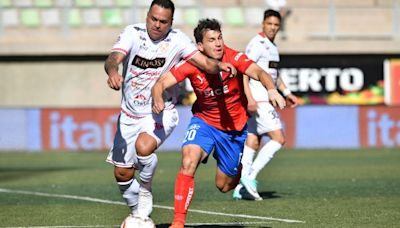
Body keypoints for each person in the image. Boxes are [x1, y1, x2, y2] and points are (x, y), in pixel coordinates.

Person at [104, 0, 236, 221]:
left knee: (143, 147)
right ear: (147, 15)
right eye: (153, 19)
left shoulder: (178, 40)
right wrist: (113, 71)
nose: (157, 25)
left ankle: (145, 189)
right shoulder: (132, 33)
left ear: (170, 22)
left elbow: (204, 62)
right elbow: (113, 58)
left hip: (161, 110)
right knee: (122, 173)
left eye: (163, 21)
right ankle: (139, 215)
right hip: (129, 114)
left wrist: (220, 66)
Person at [151, 18, 286, 228]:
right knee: (188, 160)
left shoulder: (234, 57)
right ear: (200, 46)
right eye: (211, 40)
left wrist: (271, 89)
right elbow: (162, 82)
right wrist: (158, 96)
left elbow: (259, 72)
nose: (218, 43)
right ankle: (178, 222)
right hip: (204, 122)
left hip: (234, 130)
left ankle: (237, 169)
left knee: (224, 186)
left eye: (220, 38)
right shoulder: (191, 64)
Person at [232, 9, 298, 201]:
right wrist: (249, 98)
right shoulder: (257, 44)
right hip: (259, 99)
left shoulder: (272, 46)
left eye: (276, 25)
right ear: (262, 24)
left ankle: (239, 187)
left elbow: (274, 76)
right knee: (279, 138)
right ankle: (249, 177)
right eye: (269, 24)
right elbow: (244, 70)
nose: (272, 28)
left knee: (253, 140)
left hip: (262, 99)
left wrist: (287, 93)